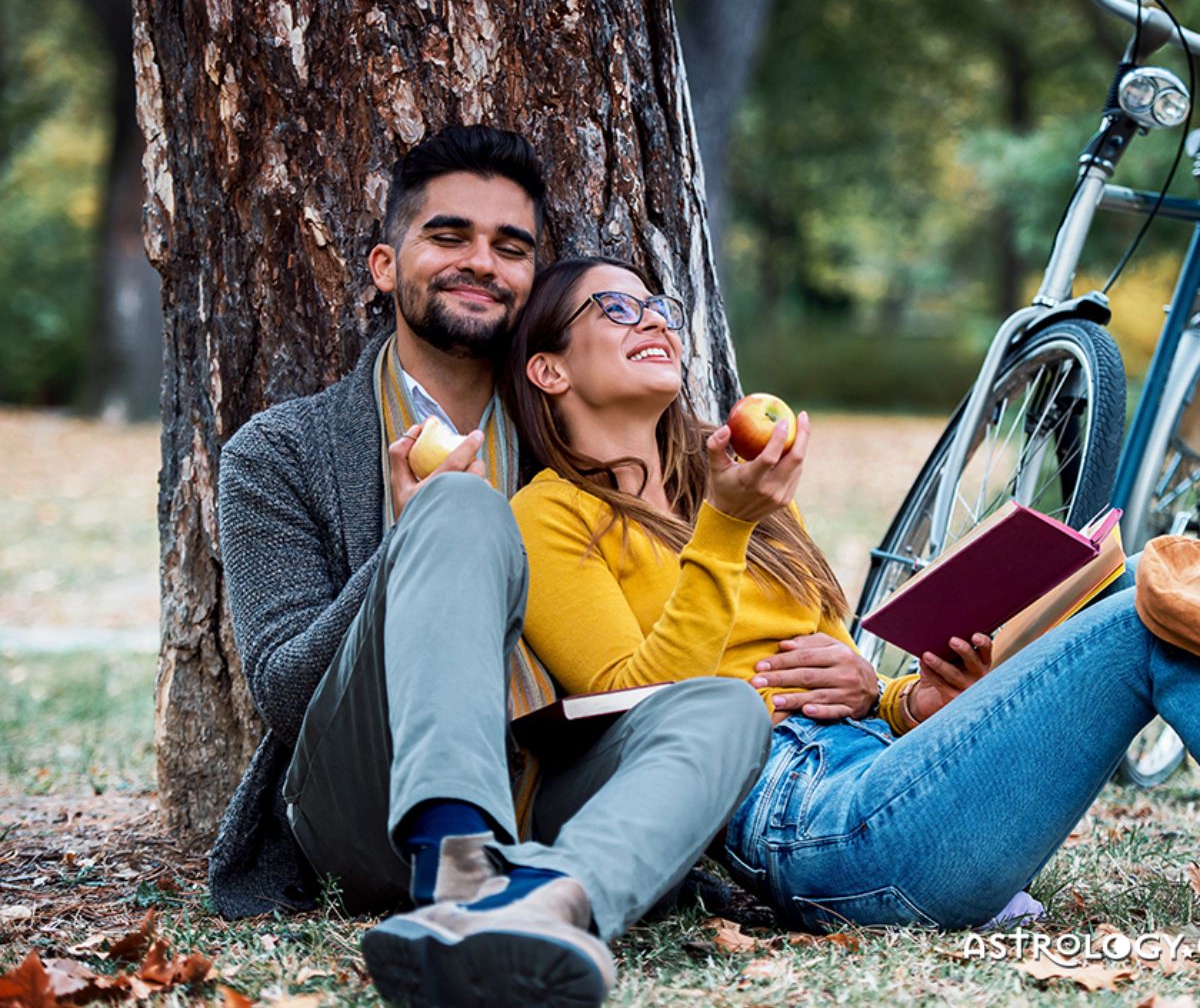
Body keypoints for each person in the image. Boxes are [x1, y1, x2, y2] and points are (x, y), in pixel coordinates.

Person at [211, 125, 802, 1008]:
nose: (480, 263)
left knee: (722, 708)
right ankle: (459, 870)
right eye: (449, 236)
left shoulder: (580, 448)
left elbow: (669, 654)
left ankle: (552, 907)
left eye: (510, 247)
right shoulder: (280, 452)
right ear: (384, 264)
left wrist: (867, 683)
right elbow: (286, 695)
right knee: (457, 507)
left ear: (529, 283)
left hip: (555, 794)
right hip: (362, 796)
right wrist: (402, 548)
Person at [502, 253, 1200, 933]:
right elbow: (636, 713)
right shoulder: (555, 514)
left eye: (659, 308)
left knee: (1153, 572)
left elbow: (838, 672)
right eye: (617, 308)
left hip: (889, 775)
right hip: (808, 824)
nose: (652, 321)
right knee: (1153, 600)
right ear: (548, 368)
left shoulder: (747, 485)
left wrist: (908, 697)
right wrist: (723, 526)